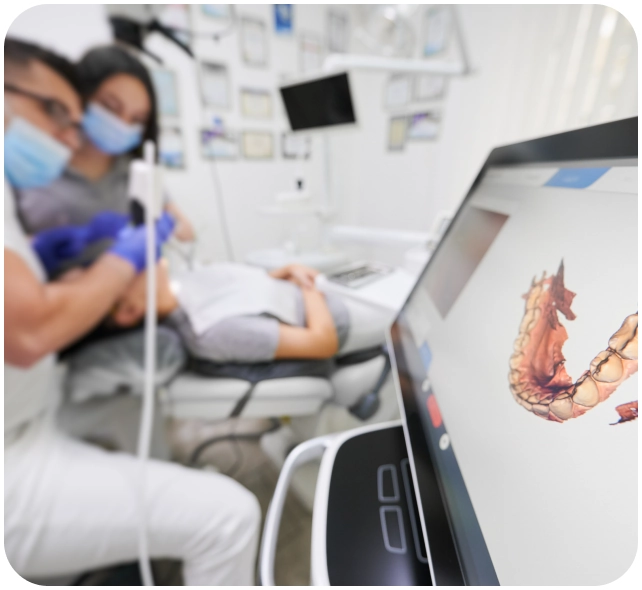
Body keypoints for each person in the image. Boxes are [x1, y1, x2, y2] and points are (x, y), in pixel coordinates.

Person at [3, 39, 259, 585]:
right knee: (229, 519)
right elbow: (31, 327)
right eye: (56, 114)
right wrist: (123, 262)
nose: (69, 137)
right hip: (25, 433)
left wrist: (60, 261)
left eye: (136, 118)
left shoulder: (118, 172)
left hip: (33, 409)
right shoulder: (36, 187)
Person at [15, 44, 194, 276]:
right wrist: (36, 250)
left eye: (137, 118)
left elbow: (184, 229)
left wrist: (161, 233)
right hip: (49, 302)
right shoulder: (36, 163)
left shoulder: (135, 170)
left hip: (126, 299)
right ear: (80, 96)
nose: (122, 124)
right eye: (111, 107)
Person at [108, 260, 390, 364]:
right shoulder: (211, 332)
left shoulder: (183, 283)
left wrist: (288, 270)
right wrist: (310, 288)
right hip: (338, 314)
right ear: (130, 311)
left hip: (316, 290)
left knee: (385, 272)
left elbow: (243, 285)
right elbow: (323, 343)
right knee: (411, 304)